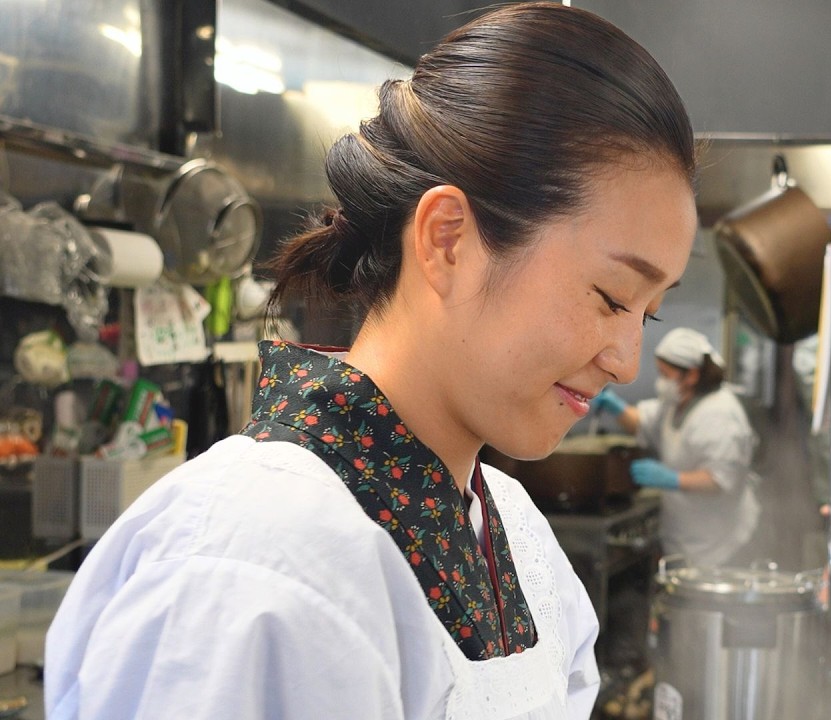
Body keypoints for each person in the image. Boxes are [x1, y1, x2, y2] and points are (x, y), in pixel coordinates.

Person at [44, 5, 697, 719]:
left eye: (650, 312)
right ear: (447, 240)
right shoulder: (254, 561)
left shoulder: (512, 532)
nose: (627, 361)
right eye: (611, 296)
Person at [593, 328, 761, 567]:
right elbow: (644, 421)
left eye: (665, 374)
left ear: (691, 375)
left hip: (721, 543)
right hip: (687, 535)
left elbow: (720, 479)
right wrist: (615, 407)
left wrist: (672, 479)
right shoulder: (678, 401)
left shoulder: (720, 415)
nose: (661, 381)